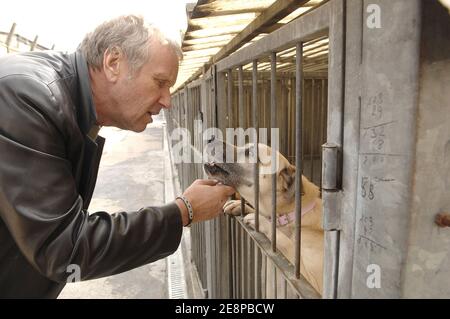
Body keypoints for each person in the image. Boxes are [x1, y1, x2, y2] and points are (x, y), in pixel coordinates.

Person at [0, 15, 235, 298]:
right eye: (160, 82)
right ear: (113, 63)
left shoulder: (68, 103)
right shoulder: (27, 97)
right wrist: (183, 211)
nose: (168, 100)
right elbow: (63, 246)